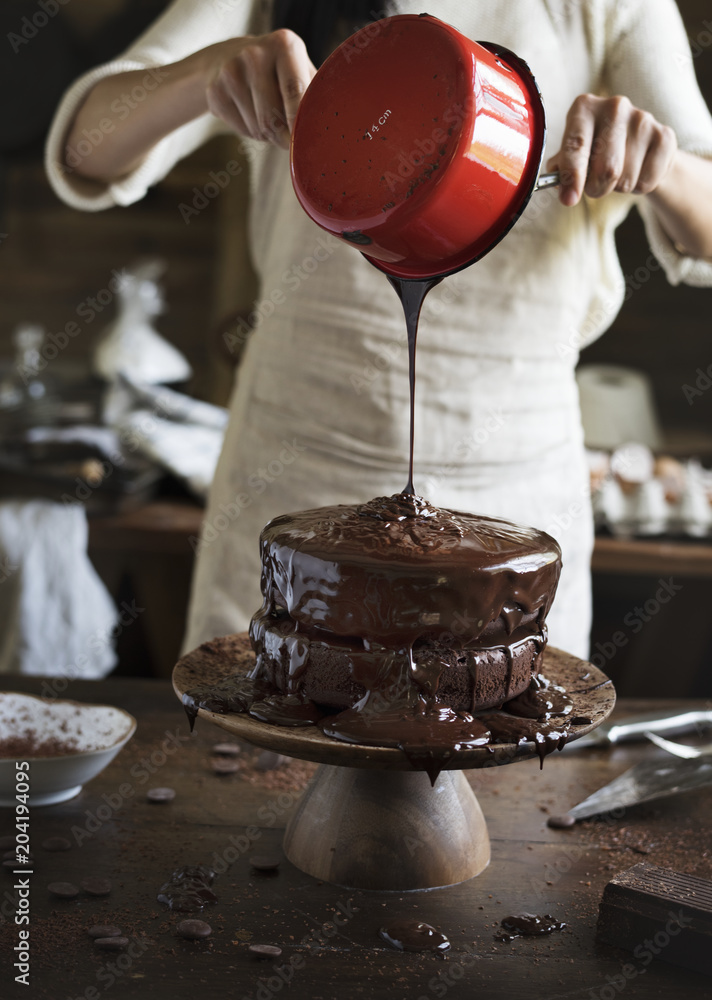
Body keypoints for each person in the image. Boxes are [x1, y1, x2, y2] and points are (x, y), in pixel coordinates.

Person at [46, 0, 712, 660]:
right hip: (290, 484)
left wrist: (665, 166)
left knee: (504, 746)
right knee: (259, 746)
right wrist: (202, 76)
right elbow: (84, 147)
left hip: (516, 498)